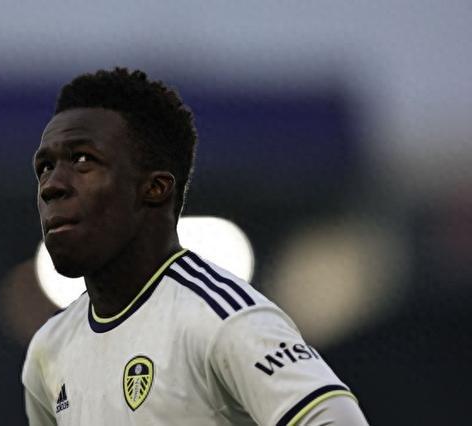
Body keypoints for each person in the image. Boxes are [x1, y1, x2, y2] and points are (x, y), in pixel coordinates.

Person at [22, 67, 369, 425]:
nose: (51, 186)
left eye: (82, 160)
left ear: (155, 188)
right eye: (45, 167)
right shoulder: (49, 349)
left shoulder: (222, 320)